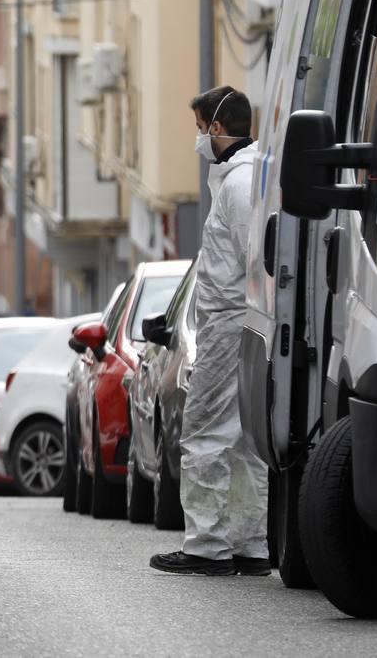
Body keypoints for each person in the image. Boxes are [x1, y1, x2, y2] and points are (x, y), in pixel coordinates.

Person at [150, 85, 270, 576]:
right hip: (243, 319)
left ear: (217, 129)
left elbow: (252, 258)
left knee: (203, 431)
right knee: (241, 439)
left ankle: (206, 546)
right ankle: (249, 545)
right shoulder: (245, 178)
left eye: (201, 129)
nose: (199, 138)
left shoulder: (240, 186)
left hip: (229, 321)